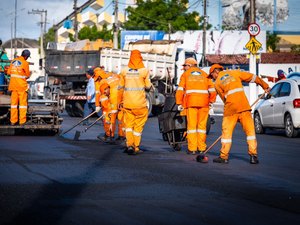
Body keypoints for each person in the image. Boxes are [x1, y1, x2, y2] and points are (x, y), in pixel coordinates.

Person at [209, 64, 270, 164]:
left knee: (226, 134)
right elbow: (253, 77)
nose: (212, 78)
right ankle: (253, 156)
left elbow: (224, 99)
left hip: (231, 110)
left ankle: (224, 156)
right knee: (250, 133)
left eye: (212, 76)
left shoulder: (217, 84)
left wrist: (232, 107)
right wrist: (265, 86)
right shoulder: (234, 73)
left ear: (215, 72)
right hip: (244, 107)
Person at [175, 58, 216, 156]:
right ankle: (201, 148)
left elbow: (180, 89)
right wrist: (211, 101)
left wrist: (179, 103)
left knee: (192, 126)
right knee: (202, 127)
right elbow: (212, 90)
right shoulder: (205, 74)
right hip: (204, 103)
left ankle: (192, 149)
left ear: (189, 65)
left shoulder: (185, 75)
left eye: (185, 66)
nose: (184, 68)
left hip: (191, 103)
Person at [118, 49, 152, 155]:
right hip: (140, 104)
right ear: (140, 58)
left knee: (129, 126)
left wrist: (120, 101)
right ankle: (136, 147)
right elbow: (148, 86)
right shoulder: (144, 71)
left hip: (127, 103)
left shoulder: (124, 71)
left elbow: (120, 88)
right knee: (138, 127)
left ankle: (129, 145)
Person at [94, 67, 124, 142]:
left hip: (114, 98)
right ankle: (122, 135)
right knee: (121, 117)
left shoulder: (102, 82)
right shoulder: (113, 74)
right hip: (123, 97)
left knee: (110, 118)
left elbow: (101, 93)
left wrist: (98, 105)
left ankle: (110, 135)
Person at [6, 49, 31, 125]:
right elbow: (27, 75)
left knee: (13, 105)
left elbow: (8, 72)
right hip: (21, 87)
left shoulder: (13, 61)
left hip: (13, 86)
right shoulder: (25, 63)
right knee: (22, 105)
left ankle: (13, 121)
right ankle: (22, 121)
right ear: (26, 57)